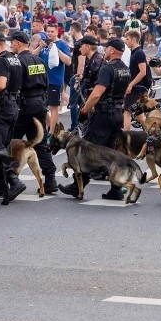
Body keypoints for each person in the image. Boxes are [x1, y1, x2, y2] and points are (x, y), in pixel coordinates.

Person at [59, 38, 131, 200]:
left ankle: (78, 187)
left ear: (112, 50)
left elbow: (97, 93)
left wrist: (84, 109)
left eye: (106, 48)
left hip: (103, 114)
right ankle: (116, 189)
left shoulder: (107, 68)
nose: (104, 50)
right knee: (112, 152)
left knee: (87, 150)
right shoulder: (125, 69)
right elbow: (125, 90)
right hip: (118, 113)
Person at [9, 31, 60, 196]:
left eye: (12, 43)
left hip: (23, 107)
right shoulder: (38, 60)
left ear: (18, 43)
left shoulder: (18, 62)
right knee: (40, 143)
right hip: (39, 105)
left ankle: (9, 179)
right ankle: (51, 179)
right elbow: (46, 83)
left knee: (11, 143)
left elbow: (14, 87)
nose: (11, 46)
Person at [0, 29, 27, 202]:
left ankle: (14, 181)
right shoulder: (15, 59)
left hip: (2, 107)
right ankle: (2, 184)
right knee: (4, 145)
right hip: (14, 106)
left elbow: (0, 84)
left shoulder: (0, 61)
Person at [44, 23, 72, 132]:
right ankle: (52, 127)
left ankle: (51, 133)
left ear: (57, 32)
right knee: (41, 107)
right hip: (43, 80)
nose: (50, 33)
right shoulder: (44, 43)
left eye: (52, 31)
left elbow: (68, 61)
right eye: (48, 31)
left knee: (53, 106)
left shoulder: (62, 44)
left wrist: (56, 49)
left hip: (55, 80)